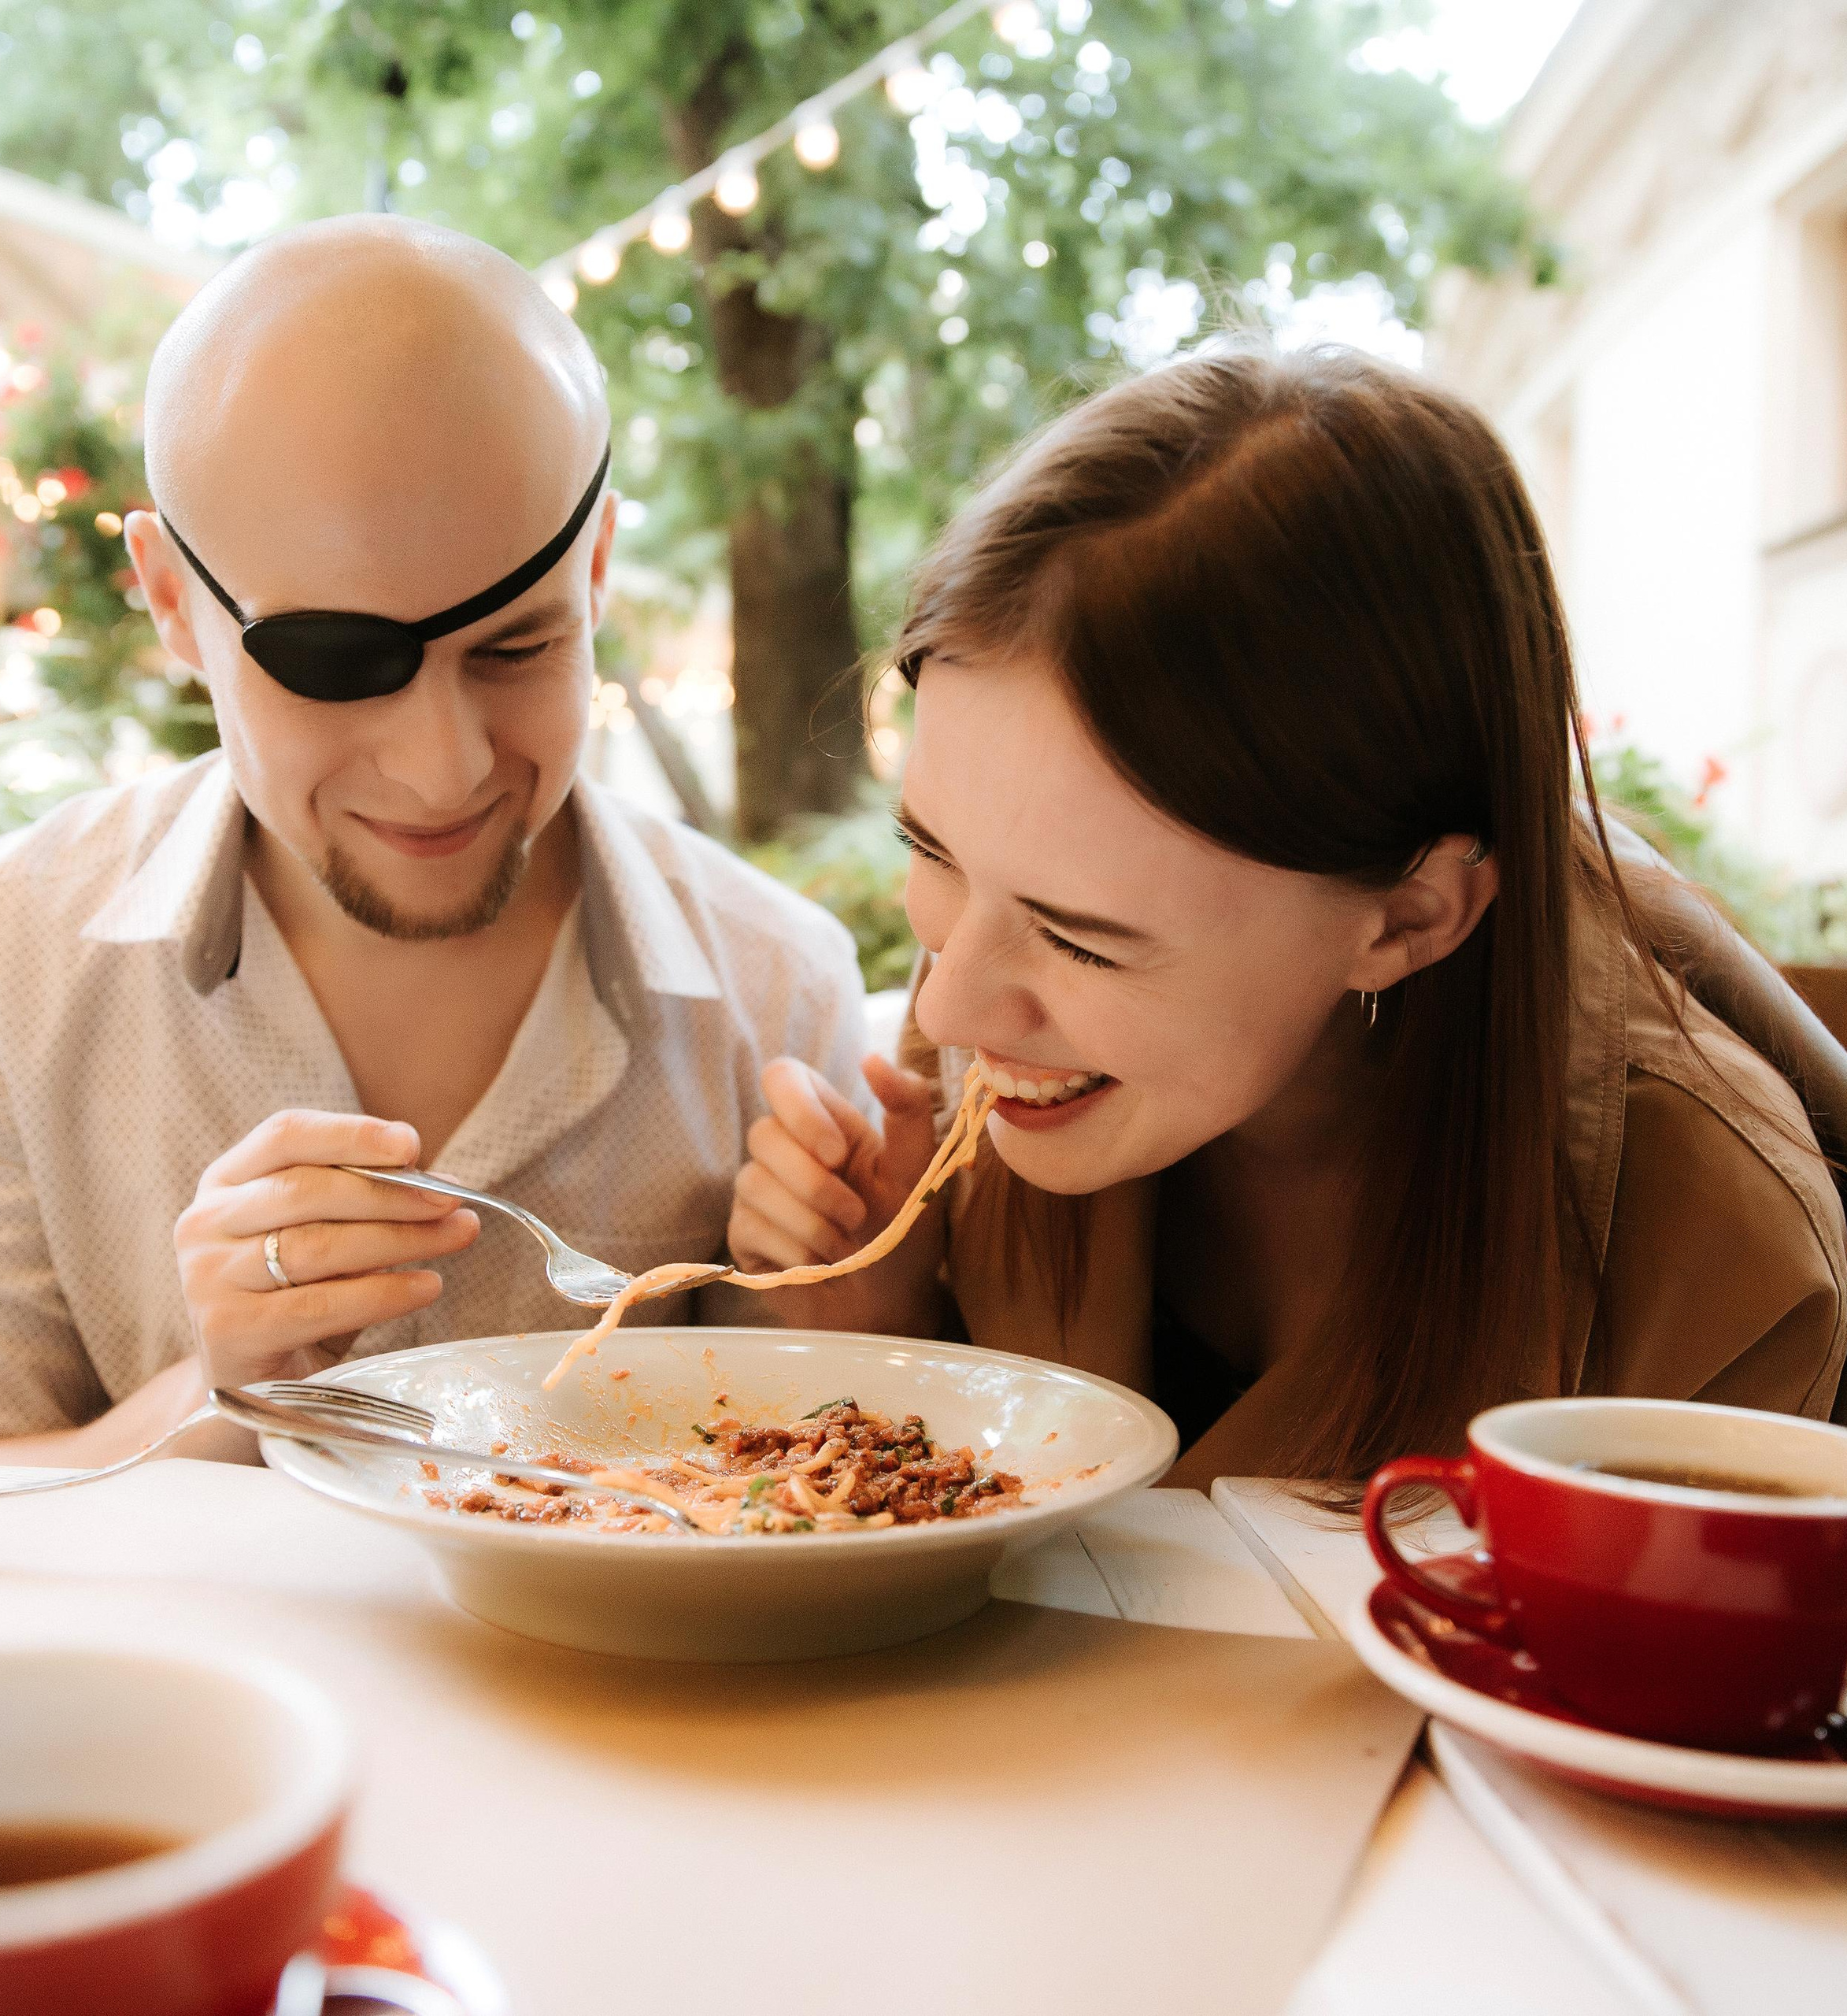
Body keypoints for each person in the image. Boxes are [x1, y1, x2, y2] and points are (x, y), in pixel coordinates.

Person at [0, 215, 865, 1464]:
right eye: (334, 666)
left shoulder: (777, 992)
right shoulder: (0, 963)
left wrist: (847, 1314)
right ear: (171, 601)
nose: (446, 768)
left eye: (518, 647)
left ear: (595, 570)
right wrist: (216, 1399)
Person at [727, 345, 1847, 1488]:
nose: (950, 998)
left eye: (1081, 938)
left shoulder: (1713, 1272)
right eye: (932, 851)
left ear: (1409, 919)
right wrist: (888, 1328)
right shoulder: (986, 1068)